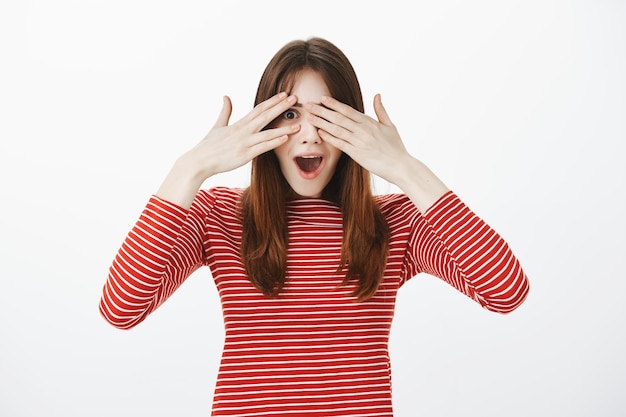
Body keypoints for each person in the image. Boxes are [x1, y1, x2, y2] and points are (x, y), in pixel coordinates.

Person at [99, 37, 530, 416]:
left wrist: (405, 167)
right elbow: (120, 309)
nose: (309, 135)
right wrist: (189, 169)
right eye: (289, 115)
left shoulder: (395, 223)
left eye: (326, 115)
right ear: (263, 124)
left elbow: (506, 291)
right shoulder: (220, 215)